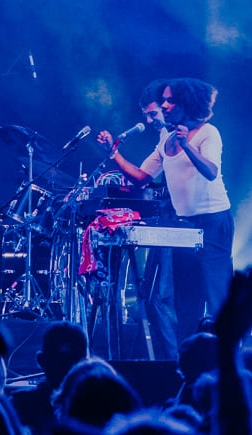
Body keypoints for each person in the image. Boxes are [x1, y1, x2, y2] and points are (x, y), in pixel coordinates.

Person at [97, 77, 233, 359]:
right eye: (164, 101)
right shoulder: (165, 139)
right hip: (183, 227)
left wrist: (187, 145)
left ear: (187, 103)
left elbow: (211, 171)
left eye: (170, 100)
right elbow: (141, 179)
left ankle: (228, 365)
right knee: (186, 302)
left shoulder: (209, 133)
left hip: (213, 223)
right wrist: (114, 153)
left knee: (218, 298)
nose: (165, 106)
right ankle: (190, 365)